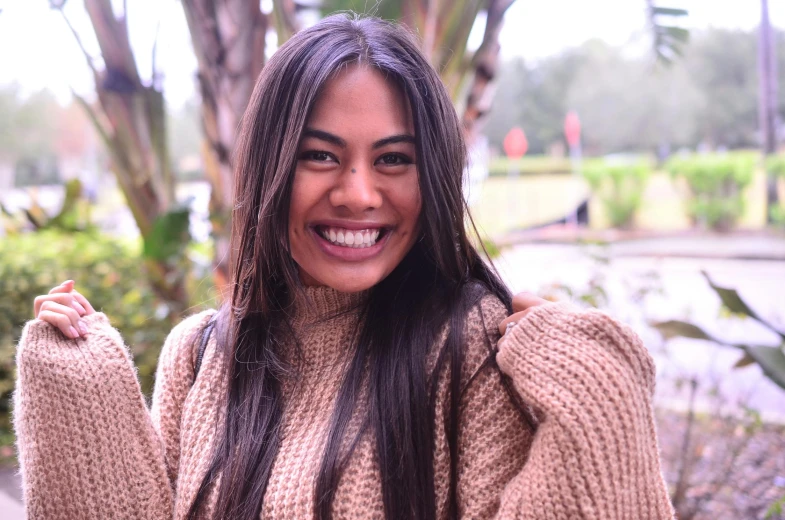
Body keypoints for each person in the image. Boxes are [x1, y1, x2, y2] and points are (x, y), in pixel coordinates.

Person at [14, 14, 673, 520]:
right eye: (320, 156)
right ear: (271, 165)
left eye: (393, 159)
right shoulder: (202, 353)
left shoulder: (469, 351)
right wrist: (78, 385)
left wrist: (598, 384)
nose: (358, 193)